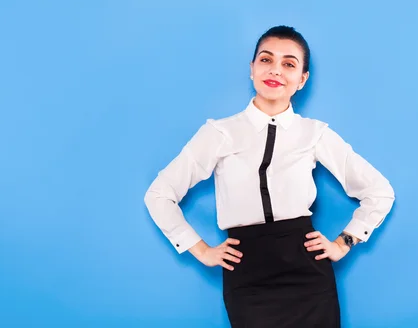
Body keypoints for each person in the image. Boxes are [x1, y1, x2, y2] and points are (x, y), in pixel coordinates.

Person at [143, 25, 395, 327]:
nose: (275, 70)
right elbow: (159, 194)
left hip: (307, 273)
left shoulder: (314, 133)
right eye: (266, 60)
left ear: (302, 80)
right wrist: (200, 250)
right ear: (251, 69)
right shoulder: (220, 132)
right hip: (246, 271)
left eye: (289, 64)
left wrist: (344, 242)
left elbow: (379, 191)